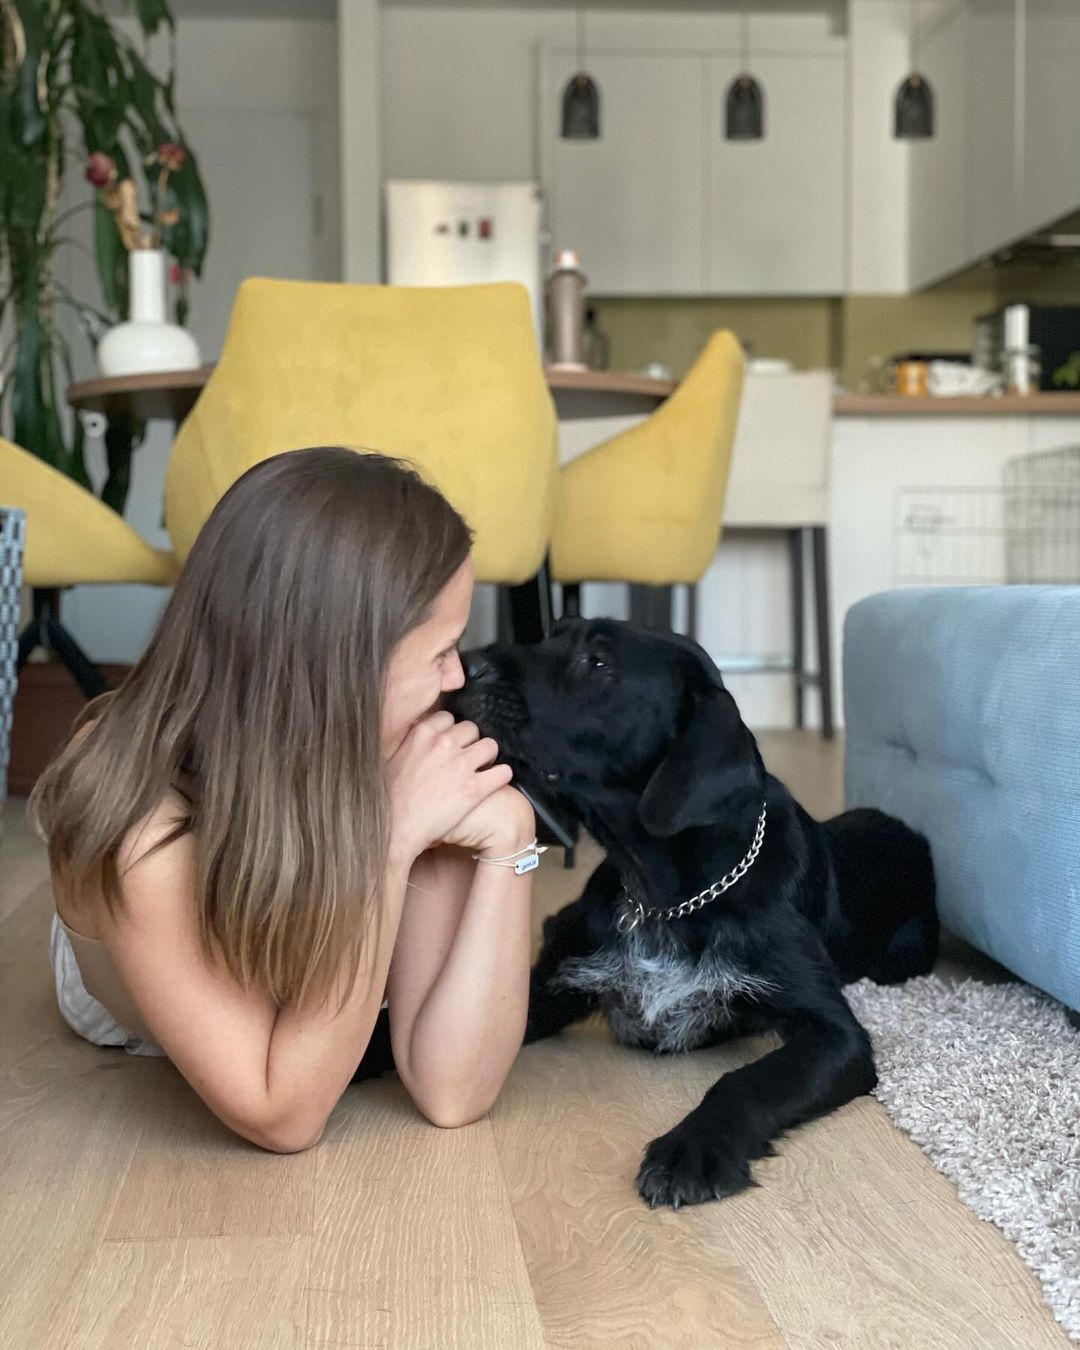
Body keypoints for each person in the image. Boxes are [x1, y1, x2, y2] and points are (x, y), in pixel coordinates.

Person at [31, 447, 537, 1151]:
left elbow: (453, 1092)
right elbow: (282, 1115)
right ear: (341, 665)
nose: (457, 678)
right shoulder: (141, 825)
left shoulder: (399, 745)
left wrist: (512, 843)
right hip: (150, 956)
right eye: (441, 650)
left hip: (309, 883)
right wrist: (391, 841)